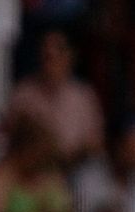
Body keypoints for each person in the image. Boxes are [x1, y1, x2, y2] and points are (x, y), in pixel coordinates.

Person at [6, 28, 105, 168]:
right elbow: (11, 139)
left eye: (57, 55)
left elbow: (96, 143)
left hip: (75, 169)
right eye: (46, 55)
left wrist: (71, 156)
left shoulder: (83, 95)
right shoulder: (24, 93)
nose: (50, 62)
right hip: (33, 170)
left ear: (70, 56)